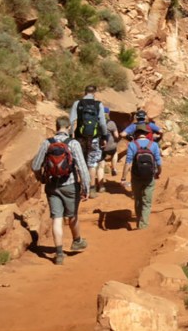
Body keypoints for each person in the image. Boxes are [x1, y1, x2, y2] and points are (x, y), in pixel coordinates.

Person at [31, 116, 90, 265]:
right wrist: (86, 187)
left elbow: (35, 166)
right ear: (68, 128)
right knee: (72, 216)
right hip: (70, 185)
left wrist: (42, 178)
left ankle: (58, 254)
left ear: (56, 126)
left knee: (56, 219)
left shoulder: (47, 143)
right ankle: (77, 241)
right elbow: (82, 168)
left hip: (52, 186)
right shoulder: (73, 143)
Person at [121, 123, 162, 230]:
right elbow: (158, 162)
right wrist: (158, 172)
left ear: (136, 133)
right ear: (146, 133)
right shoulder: (153, 145)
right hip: (149, 177)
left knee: (138, 200)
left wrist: (123, 178)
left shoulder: (132, 144)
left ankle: (139, 220)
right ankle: (143, 226)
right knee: (147, 202)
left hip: (136, 176)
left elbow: (128, 162)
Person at [69, 85, 108, 199]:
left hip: (80, 138)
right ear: (94, 93)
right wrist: (104, 136)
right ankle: (92, 189)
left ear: (84, 92)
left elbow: (71, 121)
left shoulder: (77, 103)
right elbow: (102, 123)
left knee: (80, 162)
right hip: (94, 138)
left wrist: (71, 134)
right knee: (92, 164)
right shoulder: (98, 104)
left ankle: (82, 188)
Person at [99, 106, 120, 187]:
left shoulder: (97, 122)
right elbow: (116, 135)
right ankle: (113, 168)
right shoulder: (111, 123)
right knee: (114, 153)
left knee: (101, 166)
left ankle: (101, 186)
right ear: (108, 113)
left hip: (100, 146)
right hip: (110, 146)